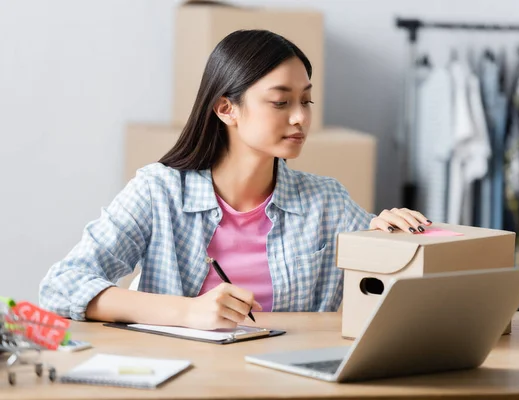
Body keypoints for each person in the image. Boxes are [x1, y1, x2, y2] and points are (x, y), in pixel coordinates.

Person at [39, 30, 431, 330]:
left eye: (306, 100)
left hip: (288, 381)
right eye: (281, 102)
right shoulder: (158, 190)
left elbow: (396, 287)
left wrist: (388, 238)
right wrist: (186, 311)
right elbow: (61, 286)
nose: (301, 118)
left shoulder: (326, 200)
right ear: (227, 109)